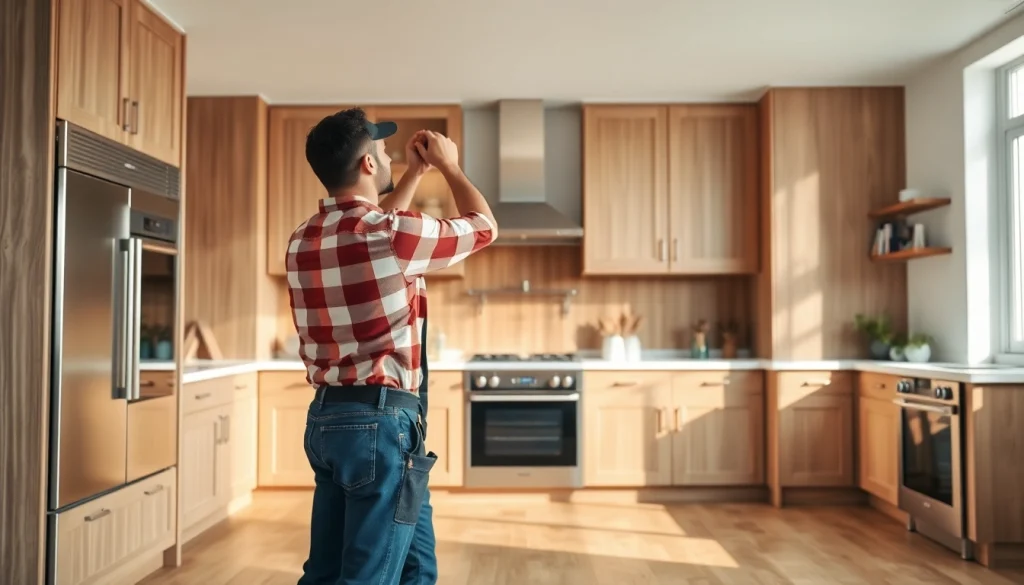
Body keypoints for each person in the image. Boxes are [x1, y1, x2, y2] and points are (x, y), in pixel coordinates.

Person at [287, 107, 497, 585]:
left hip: (328, 422)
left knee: (394, 568)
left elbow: (379, 226)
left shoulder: (302, 239)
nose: (387, 157)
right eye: (382, 151)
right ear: (367, 165)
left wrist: (414, 174)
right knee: (370, 577)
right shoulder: (395, 234)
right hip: (382, 428)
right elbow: (484, 226)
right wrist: (450, 167)